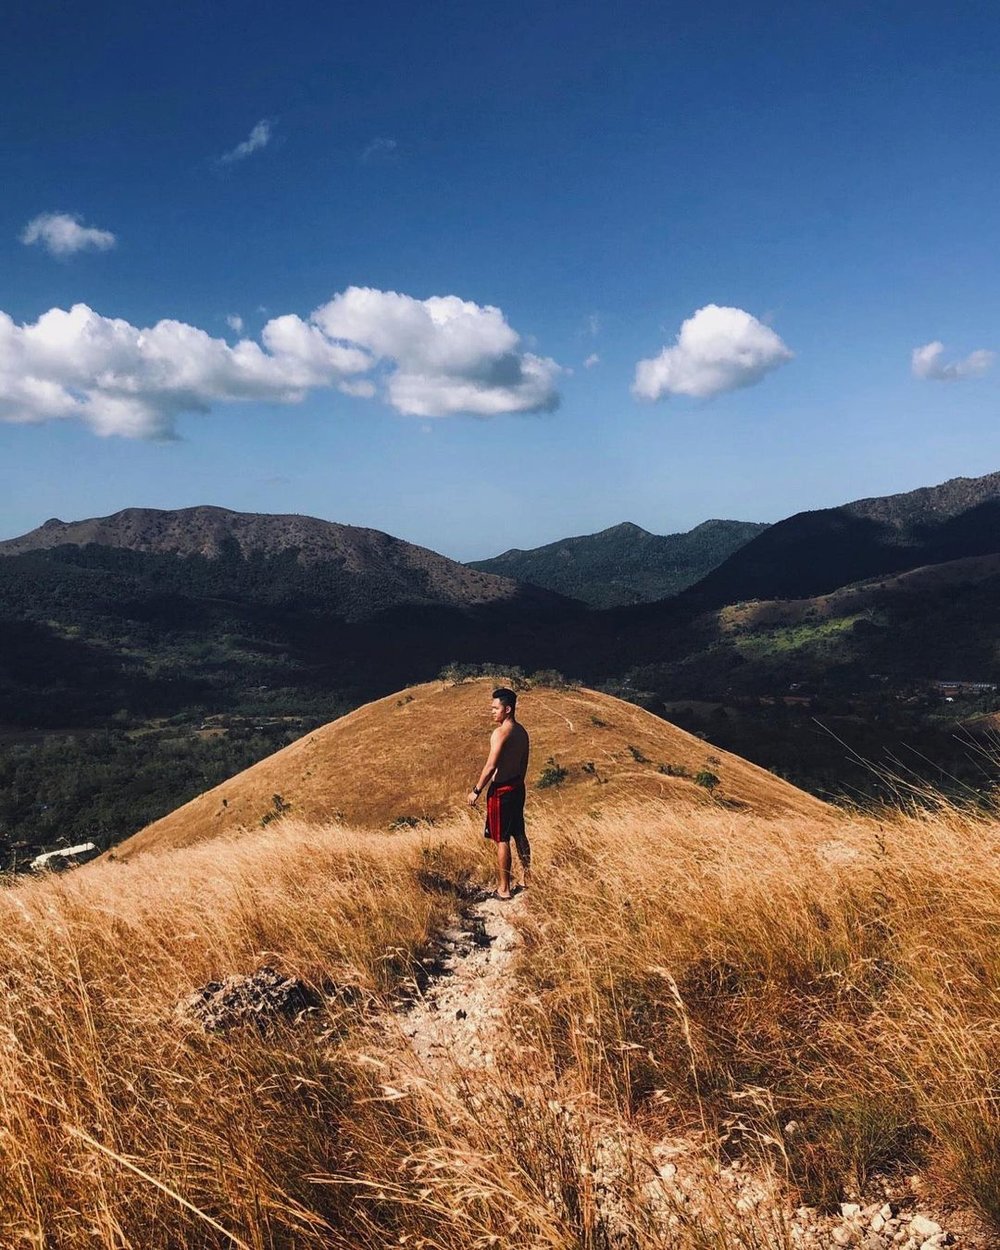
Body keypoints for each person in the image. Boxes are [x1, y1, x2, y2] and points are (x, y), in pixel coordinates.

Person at [468, 687, 531, 899]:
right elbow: (524, 763)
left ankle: (504, 889)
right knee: (519, 833)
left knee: (501, 838)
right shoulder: (522, 732)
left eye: (496, 708)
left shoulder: (500, 733)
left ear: (508, 709)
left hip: (501, 791)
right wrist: (518, 783)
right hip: (517, 787)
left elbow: (491, 766)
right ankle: (527, 877)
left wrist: (476, 790)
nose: (492, 712)